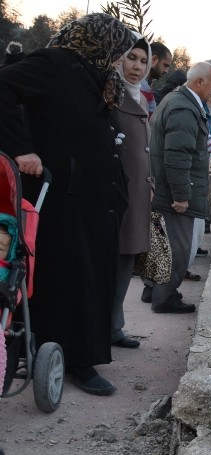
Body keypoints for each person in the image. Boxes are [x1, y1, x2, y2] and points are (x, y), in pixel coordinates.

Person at [0, 13, 137, 396]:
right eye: (117, 52)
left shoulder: (96, 76)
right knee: (69, 278)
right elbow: (3, 88)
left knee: (88, 276)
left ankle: (75, 353)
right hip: (64, 196)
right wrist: (20, 148)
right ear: (100, 43)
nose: (118, 61)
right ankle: (70, 357)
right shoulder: (54, 62)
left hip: (96, 198)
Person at [149, 61, 211, 316]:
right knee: (179, 249)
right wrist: (181, 196)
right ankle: (165, 297)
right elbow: (177, 156)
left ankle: (154, 290)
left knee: (163, 244)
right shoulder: (183, 107)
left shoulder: (179, 101)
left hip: (167, 189)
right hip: (175, 193)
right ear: (199, 82)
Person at [110, 37, 153, 350]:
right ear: (118, 59)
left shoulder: (139, 98)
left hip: (135, 197)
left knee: (124, 263)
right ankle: (104, 327)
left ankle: (113, 326)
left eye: (142, 60)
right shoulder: (111, 95)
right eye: (131, 58)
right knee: (109, 264)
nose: (137, 66)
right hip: (116, 197)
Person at [139, 41, 171, 116]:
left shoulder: (146, 86)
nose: (166, 71)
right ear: (154, 60)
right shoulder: (139, 86)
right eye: (165, 65)